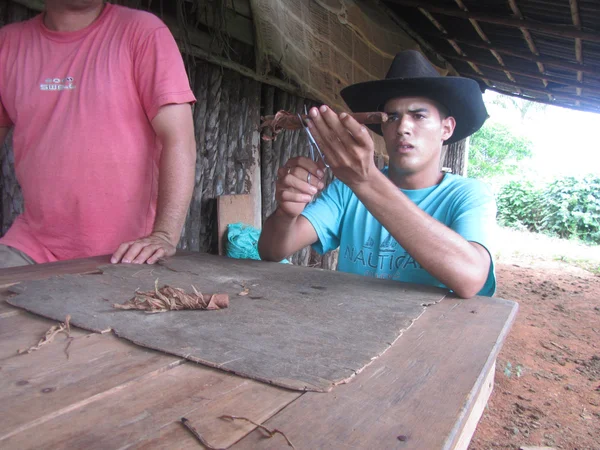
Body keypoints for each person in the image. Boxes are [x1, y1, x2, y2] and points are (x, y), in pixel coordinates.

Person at [258, 50, 496, 299]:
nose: (403, 127)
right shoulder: (347, 190)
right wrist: (285, 214)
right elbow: (271, 251)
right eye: (392, 117)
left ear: (446, 128)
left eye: (418, 116)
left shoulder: (468, 195)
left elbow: (471, 279)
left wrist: (366, 179)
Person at [0, 0, 196, 268]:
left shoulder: (142, 33)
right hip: (33, 245)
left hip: (127, 253)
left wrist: (163, 236)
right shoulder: (8, 44)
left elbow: (179, 137)